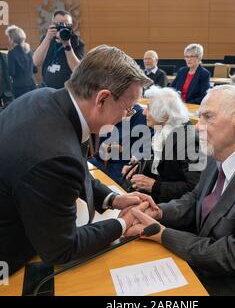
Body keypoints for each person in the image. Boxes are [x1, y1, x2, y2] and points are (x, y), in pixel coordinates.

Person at [122, 85, 235, 296]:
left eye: (208, 117)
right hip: (216, 256)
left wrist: (162, 234)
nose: (198, 126)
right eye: (199, 117)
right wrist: (160, 212)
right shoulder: (218, 149)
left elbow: (231, 256)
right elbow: (195, 198)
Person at [0, 44, 156, 275]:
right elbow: (62, 249)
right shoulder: (56, 156)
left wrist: (114, 199)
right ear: (102, 99)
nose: (126, 117)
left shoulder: (43, 97)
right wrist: (123, 222)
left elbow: (75, 168)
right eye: (127, 108)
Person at [122, 86, 201, 203]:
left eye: (148, 108)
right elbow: (157, 163)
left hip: (170, 206)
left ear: (165, 116)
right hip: (154, 197)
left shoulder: (187, 141)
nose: (143, 112)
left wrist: (154, 185)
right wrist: (138, 167)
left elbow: (194, 188)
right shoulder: (162, 130)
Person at [89, 103, 152, 183]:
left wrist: (130, 155)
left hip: (120, 164)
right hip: (100, 159)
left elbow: (146, 145)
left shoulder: (138, 115)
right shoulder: (108, 108)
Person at [33, 10, 85, 89]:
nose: (63, 27)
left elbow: (77, 70)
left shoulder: (76, 41)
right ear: (53, 24)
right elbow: (35, 62)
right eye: (60, 24)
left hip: (67, 90)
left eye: (67, 25)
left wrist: (67, 45)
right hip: (47, 89)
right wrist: (48, 38)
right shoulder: (47, 39)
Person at [5, 25, 36, 98]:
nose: (8, 39)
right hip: (32, 85)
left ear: (12, 39)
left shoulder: (12, 53)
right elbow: (35, 70)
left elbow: (11, 72)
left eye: (9, 37)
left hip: (19, 88)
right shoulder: (30, 51)